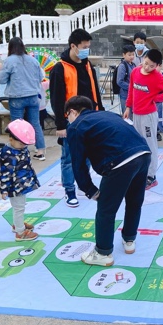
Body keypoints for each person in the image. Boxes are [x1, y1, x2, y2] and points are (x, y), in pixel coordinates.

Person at [66, 96, 151, 267]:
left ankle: (103, 252)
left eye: (67, 115)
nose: (67, 119)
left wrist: (90, 190)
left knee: (106, 210)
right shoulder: (108, 115)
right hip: (143, 154)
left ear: (73, 112)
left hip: (119, 162)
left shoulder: (76, 126)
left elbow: (78, 163)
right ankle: (129, 240)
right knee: (134, 202)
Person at [49, 29, 104, 207]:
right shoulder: (60, 68)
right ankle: (69, 189)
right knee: (69, 157)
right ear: (73, 46)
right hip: (70, 120)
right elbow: (56, 99)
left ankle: (83, 184)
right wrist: (60, 124)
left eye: (88, 46)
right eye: (84, 47)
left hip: (90, 118)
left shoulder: (87, 65)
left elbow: (95, 91)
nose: (87, 50)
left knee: (87, 155)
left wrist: (100, 112)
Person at [124, 48, 163, 190]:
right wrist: (128, 107)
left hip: (148, 116)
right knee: (138, 143)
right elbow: (131, 89)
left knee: (150, 144)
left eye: (151, 66)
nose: (147, 67)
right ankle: (141, 171)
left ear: (157, 66)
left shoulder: (157, 77)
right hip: (136, 114)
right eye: (146, 63)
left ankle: (151, 176)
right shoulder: (135, 71)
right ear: (143, 58)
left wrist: (156, 98)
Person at [0, 37, 47, 160]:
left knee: (17, 125)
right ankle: (40, 150)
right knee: (35, 123)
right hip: (33, 96)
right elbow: (41, 77)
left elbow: (1, 80)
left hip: (17, 97)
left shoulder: (9, 61)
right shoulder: (33, 60)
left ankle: (19, 150)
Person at [0, 119, 40, 242]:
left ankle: (18, 224)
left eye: (25, 144)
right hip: (15, 187)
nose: (24, 146)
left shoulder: (20, 148)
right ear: (11, 139)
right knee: (19, 208)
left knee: (20, 206)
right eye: (21, 144)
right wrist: (4, 189)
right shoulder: (8, 154)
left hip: (22, 184)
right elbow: (5, 173)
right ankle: (20, 232)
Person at [117, 44, 137, 115]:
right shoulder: (122, 66)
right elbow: (119, 81)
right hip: (125, 95)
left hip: (133, 94)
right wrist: (131, 87)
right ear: (124, 55)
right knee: (127, 115)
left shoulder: (133, 65)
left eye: (133, 54)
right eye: (129, 55)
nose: (132, 57)